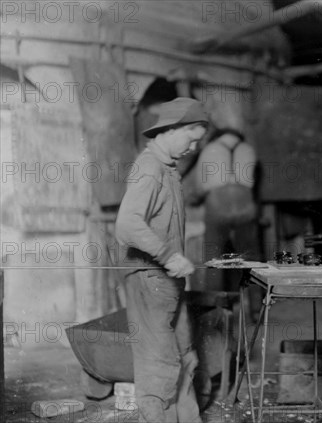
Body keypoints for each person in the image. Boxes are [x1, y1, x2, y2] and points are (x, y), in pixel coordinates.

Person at [115, 97, 210, 423]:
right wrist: (169, 255)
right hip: (149, 277)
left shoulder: (167, 168)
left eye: (198, 141)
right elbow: (127, 224)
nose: (193, 147)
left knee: (186, 353)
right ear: (171, 129)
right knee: (159, 365)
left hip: (167, 280)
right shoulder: (150, 168)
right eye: (191, 138)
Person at [188, 128, 260, 292]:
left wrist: (194, 199)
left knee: (214, 257)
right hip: (245, 201)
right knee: (250, 257)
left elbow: (200, 186)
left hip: (217, 203)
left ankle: (216, 303)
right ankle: (257, 306)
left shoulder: (209, 149)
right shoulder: (247, 149)